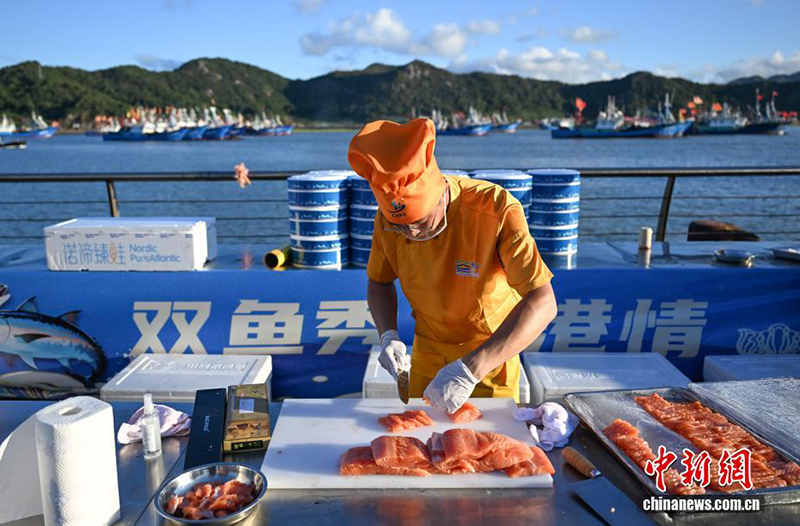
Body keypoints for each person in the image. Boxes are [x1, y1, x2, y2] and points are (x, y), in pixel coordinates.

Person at [348, 118, 558, 413]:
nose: (412, 234)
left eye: (420, 223)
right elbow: (379, 281)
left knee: (487, 449)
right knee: (423, 445)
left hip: (489, 358)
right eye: (401, 228)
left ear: (440, 197)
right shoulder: (387, 222)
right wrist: (388, 335)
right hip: (427, 354)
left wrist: (471, 369)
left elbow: (543, 302)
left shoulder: (495, 209)